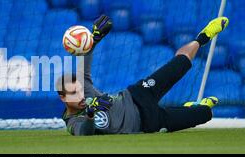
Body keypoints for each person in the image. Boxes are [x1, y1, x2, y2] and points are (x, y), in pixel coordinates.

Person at [56, 15, 229, 136]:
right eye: (73, 93)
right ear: (63, 98)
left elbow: (84, 60)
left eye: (79, 90)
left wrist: (94, 38)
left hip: (137, 94)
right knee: (204, 114)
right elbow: (85, 132)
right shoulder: (73, 122)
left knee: (178, 65)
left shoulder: (84, 88)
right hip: (147, 123)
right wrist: (92, 111)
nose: (80, 95)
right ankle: (194, 107)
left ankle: (202, 37)